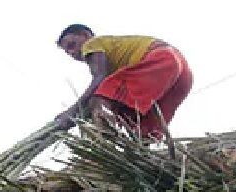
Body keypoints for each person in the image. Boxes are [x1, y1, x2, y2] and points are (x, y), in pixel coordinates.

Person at [53, 24, 193, 141]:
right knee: (141, 126)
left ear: (85, 35)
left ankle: (102, 149)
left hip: (160, 58)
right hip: (183, 76)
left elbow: (99, 79)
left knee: (100, 98)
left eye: (72, 45)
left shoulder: (92, 43)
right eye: (68, 53)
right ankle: (141, 157)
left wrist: (72, 111)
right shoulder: (117, 61)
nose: (74, 53)